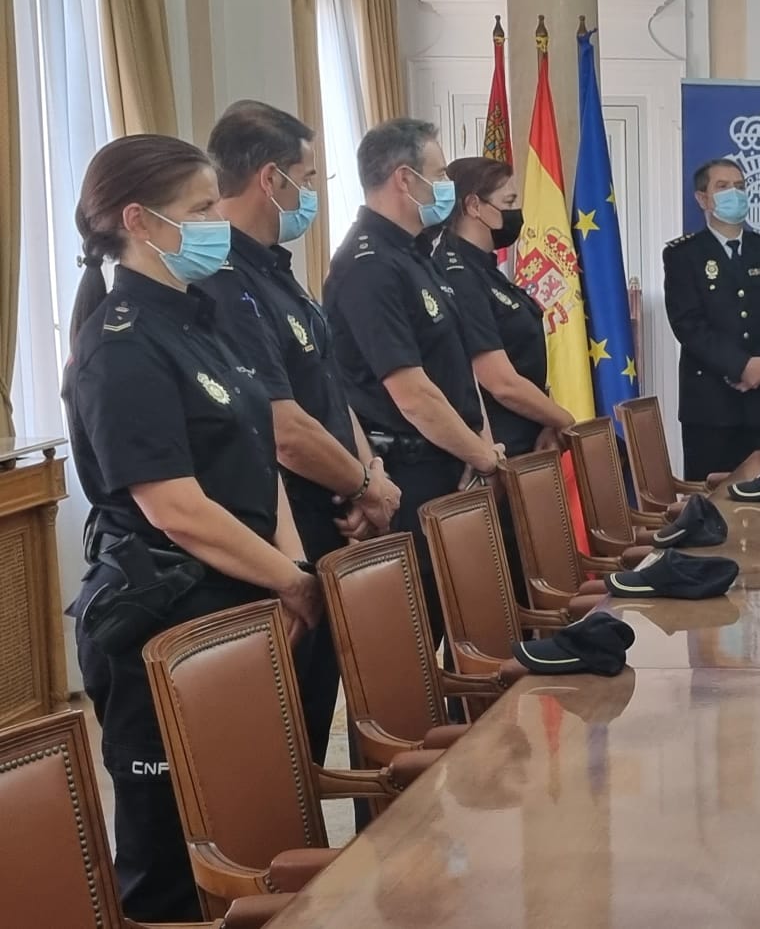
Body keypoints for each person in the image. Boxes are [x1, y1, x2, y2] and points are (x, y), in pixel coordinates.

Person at [63, 135, 323, 921]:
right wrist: (291, 581)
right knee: (174, 858)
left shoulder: (201, 315)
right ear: (139, 221)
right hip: (165, 620)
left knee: (252, 823)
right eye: (203, 208)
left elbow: (257, 452)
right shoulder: (120, 345)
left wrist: (290, 567)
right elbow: (174, 506)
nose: (219, 220)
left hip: (242, 603)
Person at [197, 101, 398, 766]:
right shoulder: (222, 281)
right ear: (270, 179)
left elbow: (331, 391)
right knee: (278, 751)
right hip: (282, 539)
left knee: (313, 725)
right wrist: (365, 484)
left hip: (335, 518)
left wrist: (369, 480)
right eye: (306, 178)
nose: (310, 193)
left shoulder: (277, 270)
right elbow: (281, 427)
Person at [324, 118, 503, 634]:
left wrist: (482, 449)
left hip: (456, 465)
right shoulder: (369, 264)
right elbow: (412, 394)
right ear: (405, 179)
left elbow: (455, 368)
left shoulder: (416, 254)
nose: (446, 183)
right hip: (412, 474)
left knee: (469, 631)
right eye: (439, 172)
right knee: (419, 639)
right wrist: (483, 458)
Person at [433, 157, 575, 457]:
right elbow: (499, 382)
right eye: (508, 201)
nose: (516, 212)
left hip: (527, 435)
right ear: (474, 206)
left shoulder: (486, 268)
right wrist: (565, 421)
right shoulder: (459, 275)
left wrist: (547, 422)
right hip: (496, 447)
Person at [666, 157, 760, 478]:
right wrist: (740, 366)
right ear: (702, 199)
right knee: (711, 511)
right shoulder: (683, 255)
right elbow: (688, 324)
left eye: (740, 187)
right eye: (723, 187)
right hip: (710, 406)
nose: (734, 194)